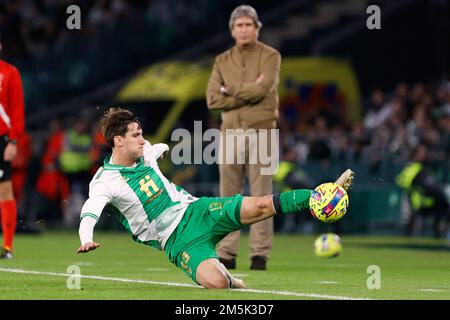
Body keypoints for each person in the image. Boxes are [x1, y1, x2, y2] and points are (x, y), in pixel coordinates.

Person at [76, 107, 354, 289]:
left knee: (260, 204)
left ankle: (321, 194)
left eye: (141, 134)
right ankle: (229, 276)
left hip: (197, 210)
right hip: (175, 240)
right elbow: (90, 210)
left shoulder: (145, 149)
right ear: (118, 141)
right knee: (218, 285)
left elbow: (154, 147)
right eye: (136, 135)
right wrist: (85, 238)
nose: (142, 139)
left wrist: (160, 149)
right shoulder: (105, 181)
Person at [206, 5, 281, 270]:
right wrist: (244, 91)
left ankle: (259, 255)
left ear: (257, 28)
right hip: (230, 133)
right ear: (232, 30)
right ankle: (226, 253)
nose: (244, 29)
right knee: (228, 197)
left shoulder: (271, 56)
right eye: (239, 25)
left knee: (263, 196)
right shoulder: (222, 61)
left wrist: (230, 91)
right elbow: (212, 99)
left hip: (262, 130)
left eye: (249, 25)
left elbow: (264, 88)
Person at [0, 33, 25, 259]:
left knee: (4, 190)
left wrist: (13, 141)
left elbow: (17, 110)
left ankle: (7, 246)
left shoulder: (9, 72)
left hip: (2, 139)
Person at [396, 143, 449, 238]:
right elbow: (402, 182)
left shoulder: (422, 168)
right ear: (415, 155)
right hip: (421, 202)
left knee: (443, 202)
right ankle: (438, 234)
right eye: (422, 153)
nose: (425, 155)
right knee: (443, 202)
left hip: (424, 200)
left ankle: (439, 233)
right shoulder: (415, 168)